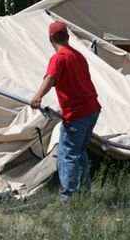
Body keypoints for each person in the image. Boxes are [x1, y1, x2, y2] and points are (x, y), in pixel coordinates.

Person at [31, 21, 101, 202]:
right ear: (67, 37)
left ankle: (68, 198)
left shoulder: (59, 57)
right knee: (80, 152)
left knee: (67, 154)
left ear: (50, 38)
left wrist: (38, 96)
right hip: (92, 109)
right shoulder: (78, 55)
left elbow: (51, 77)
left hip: (78, 113)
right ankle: (84, 193)